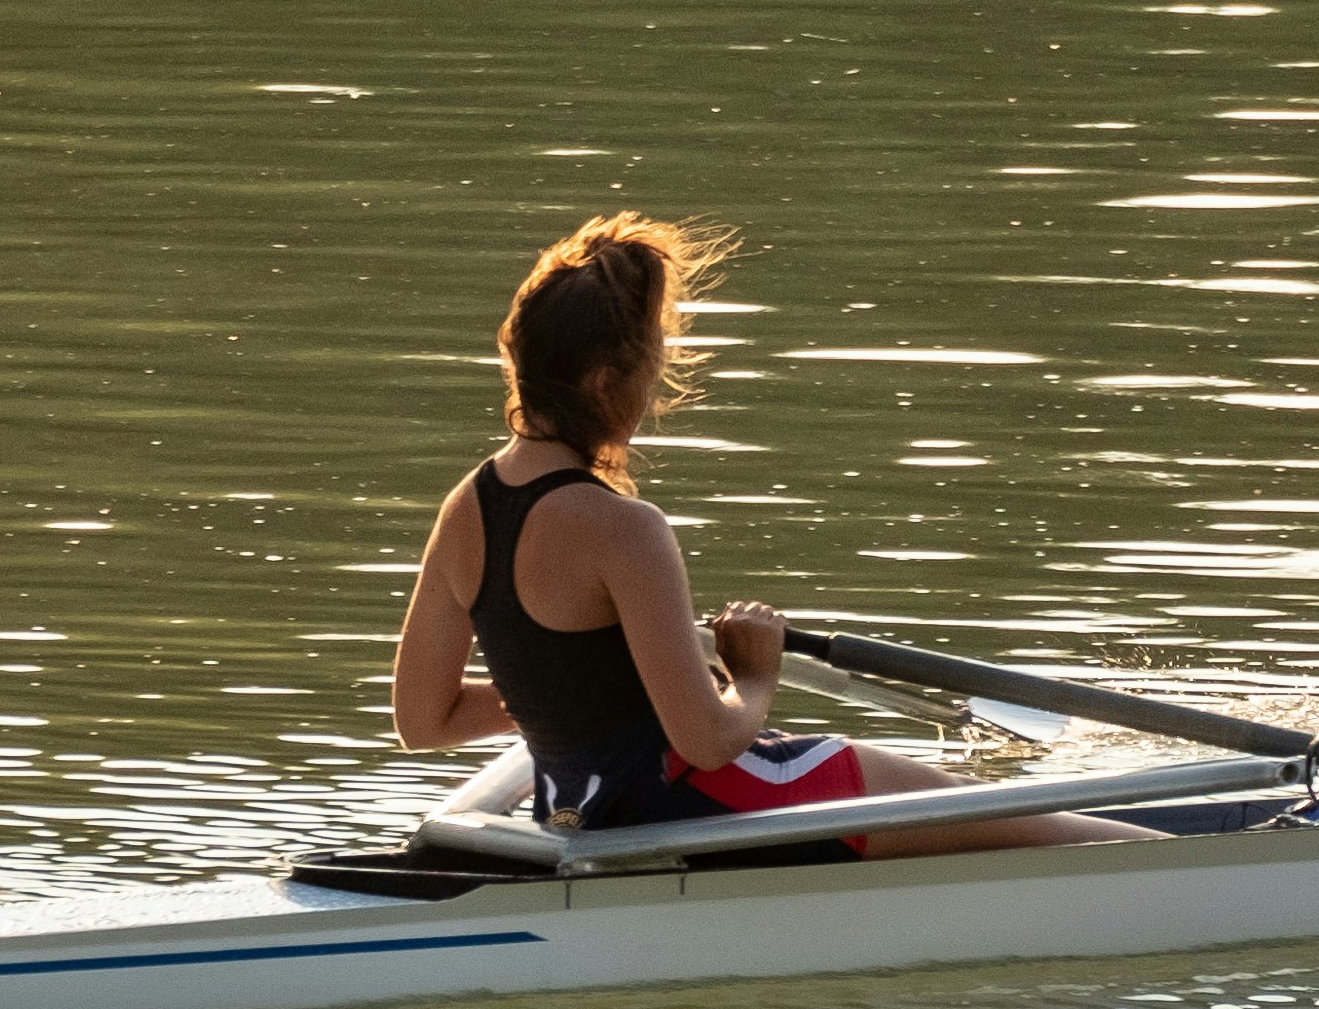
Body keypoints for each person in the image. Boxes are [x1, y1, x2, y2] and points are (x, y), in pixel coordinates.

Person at [389, 214, 1140, 858]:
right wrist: (755, 675)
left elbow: (425, 721)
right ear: (606, 383)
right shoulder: (626, 528)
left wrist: (574, 681)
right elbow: (708, 743)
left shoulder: (465, 510)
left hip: (577, 812)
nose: (654, 393)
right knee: (1076, 841)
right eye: (653, 370)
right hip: (704, 804)